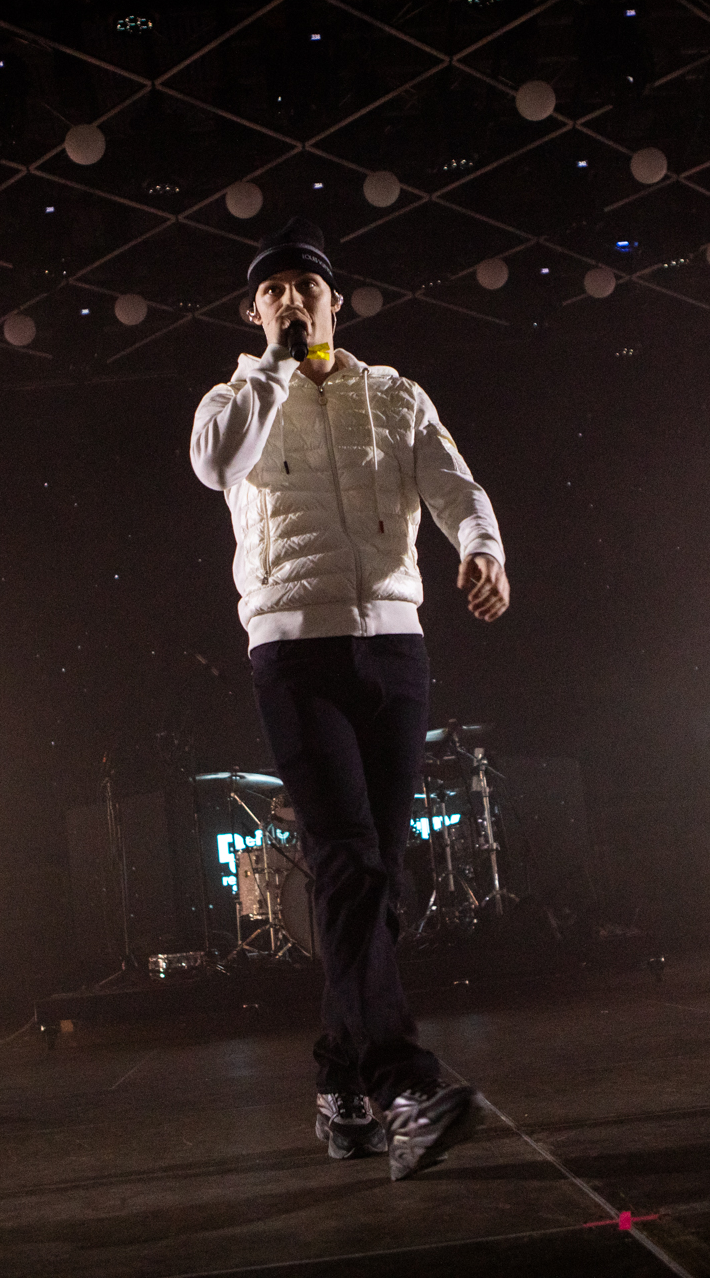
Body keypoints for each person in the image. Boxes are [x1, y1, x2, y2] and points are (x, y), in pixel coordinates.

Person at [190, 218, 510, 1181]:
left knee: (375, 874)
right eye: (273, 290)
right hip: (295, 649)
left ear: (338, 300)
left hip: (396, 645)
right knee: (344, 857)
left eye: (306, 286)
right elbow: (216, 463)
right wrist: (274, 368)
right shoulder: (234, 399)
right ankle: (404, 1087)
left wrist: (482, 548)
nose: (291, 299)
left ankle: (339, 1080)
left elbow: (453, 483)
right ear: (254, 312)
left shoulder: (394, 394)